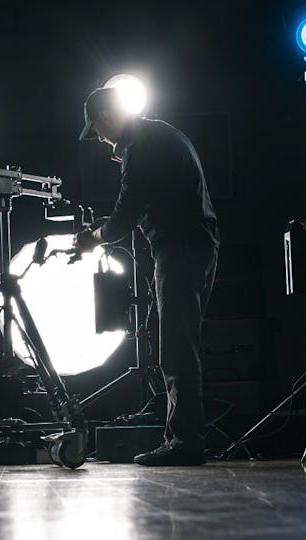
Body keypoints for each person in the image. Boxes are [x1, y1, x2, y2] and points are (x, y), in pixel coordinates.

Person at [74, 87, 219, 466]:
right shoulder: (159, 134)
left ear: (106, 116)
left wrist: (94, 237)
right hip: (192, 247)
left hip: (181, 251)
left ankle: (186, 443)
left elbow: (125, 215)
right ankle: (183, 437)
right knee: (172, 341)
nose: (102, 140)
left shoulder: (141, 145)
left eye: (98, 131)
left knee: (176, 347)